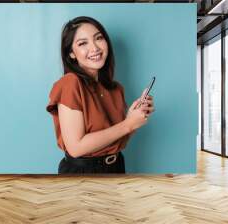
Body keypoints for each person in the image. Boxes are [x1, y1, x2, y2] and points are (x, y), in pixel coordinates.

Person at [46, 16, 154, 174]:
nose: (95, 48)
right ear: (71, 54)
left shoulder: (115, 89)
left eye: (99, 38)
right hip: (83, 172)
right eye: (83, 43)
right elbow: (76, 148)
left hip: (117, 166)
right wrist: (128, 124)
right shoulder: (70, 83)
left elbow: (116, 141)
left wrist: (134, 118)